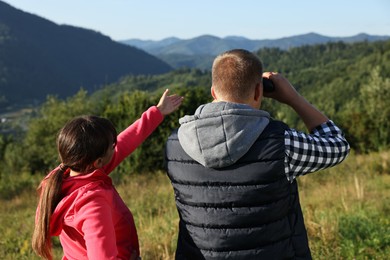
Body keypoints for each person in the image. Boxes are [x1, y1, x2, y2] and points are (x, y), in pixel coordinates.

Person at [165, 49, 350, 259]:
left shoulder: (175, 144)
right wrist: (294, 98)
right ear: (257, 92)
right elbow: (337, 145)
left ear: (214, 92)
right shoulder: (281, 142)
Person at [32, 89, 183, 260]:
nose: (116, 146)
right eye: (112, 145)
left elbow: (126, 142)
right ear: (98, 161)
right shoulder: (92, 204)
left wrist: (157, 112)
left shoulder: (66, 178)